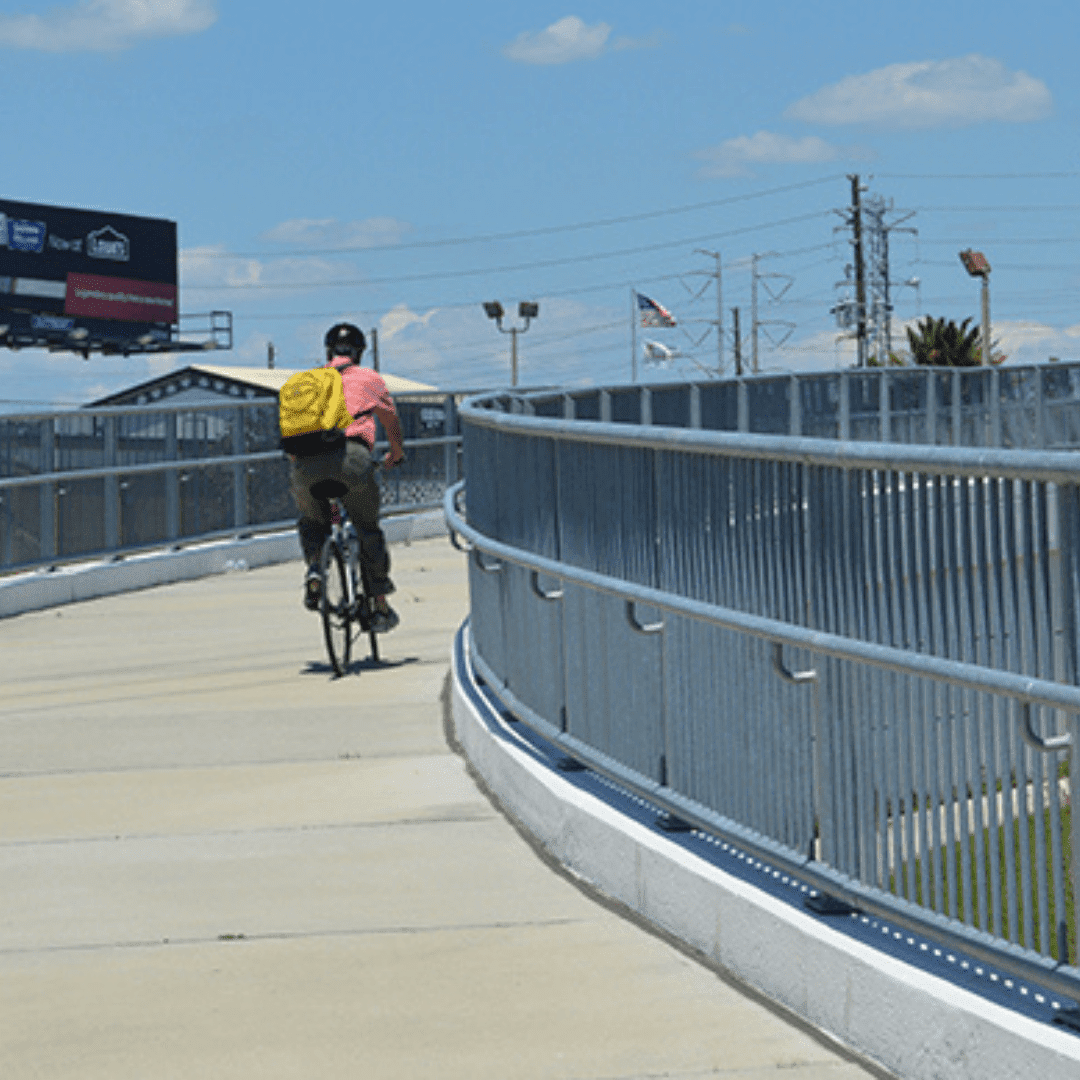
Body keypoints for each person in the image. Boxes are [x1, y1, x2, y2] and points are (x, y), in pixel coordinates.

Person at [288, 323, 405, 632]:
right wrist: (395, 452)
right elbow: (390, 420)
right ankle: (379, 603)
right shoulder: (369, 379)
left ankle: (315, 568)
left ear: (328, 352)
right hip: (352, 458)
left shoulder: (307, 382)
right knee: (367, 529)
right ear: (360, 352)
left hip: (306, 465)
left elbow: (291, 439)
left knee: (313, 521)